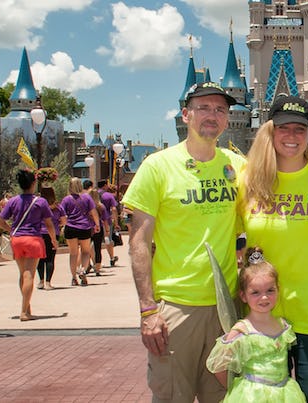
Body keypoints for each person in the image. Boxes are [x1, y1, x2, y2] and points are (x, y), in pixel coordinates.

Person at [122, 81, 246, 402]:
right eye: (203, 108)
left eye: (220, 109)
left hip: (225, 309)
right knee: (173, 396)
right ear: (185, 115)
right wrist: (148, 310)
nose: (212, 115)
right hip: (176, 308)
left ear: (228, 119)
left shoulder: (238, 167)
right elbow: (139, 241)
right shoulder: (158, 166)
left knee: (224, 397)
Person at [239, 95, 308, 402]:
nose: (292, 136)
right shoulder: (248, 180)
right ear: (269, 132)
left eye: (300, 129)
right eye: (284, 128)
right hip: (263, 315)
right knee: (266, 396)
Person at [206, 247, 306, 403]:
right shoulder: (242, 330)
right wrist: (236, 390)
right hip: (251, 396)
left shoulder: (283, 326)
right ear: (243, 296)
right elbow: (218, 365)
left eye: (270, 290)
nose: (264, 297)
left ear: (278, 290)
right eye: (255, 292)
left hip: (284, 395)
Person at [0, 170, 58, 321]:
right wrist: (53, 239)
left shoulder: (13, 201)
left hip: (17, 239)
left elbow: (0, 221)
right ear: (33, 183)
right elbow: (49, 223)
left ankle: (27, 306)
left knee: (22, 273)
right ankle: (24, 312)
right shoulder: (40, 202)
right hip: (33, 239)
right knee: (29, 273)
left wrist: (11, 230)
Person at [60, 178, 100, 286]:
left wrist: (63, 225)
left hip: (70, 227)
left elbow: (62, 214)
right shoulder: (86, 197)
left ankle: (73, 278)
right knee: (86, 251)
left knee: (73, 253)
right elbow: (94, 212)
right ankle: (83, 270)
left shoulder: (66, 199)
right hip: (84, 227)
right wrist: (97, 224)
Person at [36, 187, 65, 290]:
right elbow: (64, 220)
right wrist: (58, 224)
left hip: (40, 233)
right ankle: (48, 282)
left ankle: (41, 281)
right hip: (53, 233)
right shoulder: (58, 207)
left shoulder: (38, 206)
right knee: (50, 258)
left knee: (40, 258)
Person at [98, 180, 120, 267]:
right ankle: (111, 258)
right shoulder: (108, 196)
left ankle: (96, 261)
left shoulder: (93, 195)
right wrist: (116, 223)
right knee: (108, 239)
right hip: (106, 220)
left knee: (96, 241)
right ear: (104, 185)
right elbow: (114, 209)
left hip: (94, 221)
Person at [87, 187, 106, 276]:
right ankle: (97, 269)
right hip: (98, 228)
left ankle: (86, 266)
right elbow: (105, 219)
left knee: (85, 249)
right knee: (98, 249)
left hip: (88, 228)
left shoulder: (86, 206)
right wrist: (107, 229)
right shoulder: (101, 206)